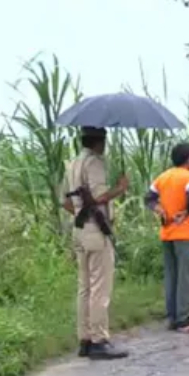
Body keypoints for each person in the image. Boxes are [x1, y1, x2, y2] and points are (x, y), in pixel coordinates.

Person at [61, 126, 129, 359]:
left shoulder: (72, 164)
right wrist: (119, 189)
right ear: (100, 141)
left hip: (79, 230)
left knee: (85, 287)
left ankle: (85, 339)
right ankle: (99, 340)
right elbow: (99, 197)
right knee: (100, 286)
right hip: (95, 229)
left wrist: (81, 211)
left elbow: (66, 203)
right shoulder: (95, 163)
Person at [146, 142, 189, 333]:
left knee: (172, 276)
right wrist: (186, 212)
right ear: (188, 158)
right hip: (185, 232)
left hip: (167, 232)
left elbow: (148, 198)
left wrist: (160, 211)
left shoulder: (163, 177)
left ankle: (172, 317)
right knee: (186, 276)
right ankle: (184, 320)